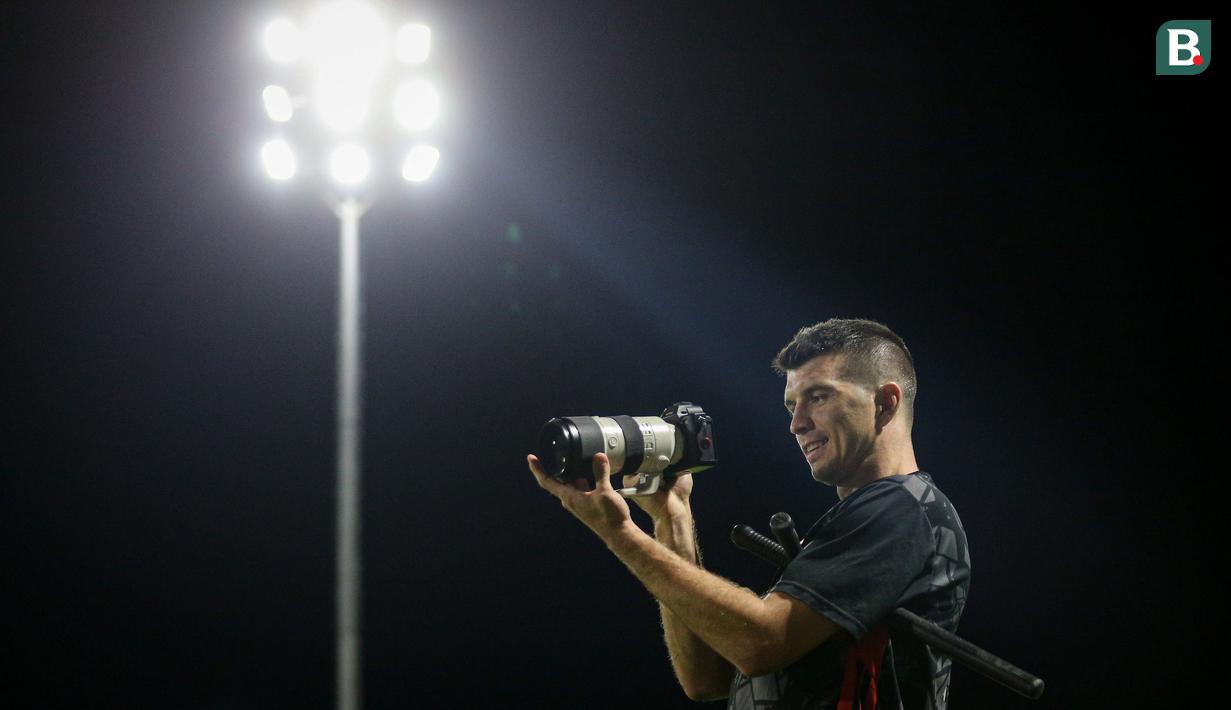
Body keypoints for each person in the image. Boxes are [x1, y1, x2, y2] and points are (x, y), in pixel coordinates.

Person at [527, 318, 971, 709]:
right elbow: (706, 680)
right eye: (792, 405)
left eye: (818, 397)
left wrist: (620, 533)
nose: (797, 423)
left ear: (886, 402)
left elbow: (762, 641)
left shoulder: (903, 508)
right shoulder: (859, 523)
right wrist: (672, 519)